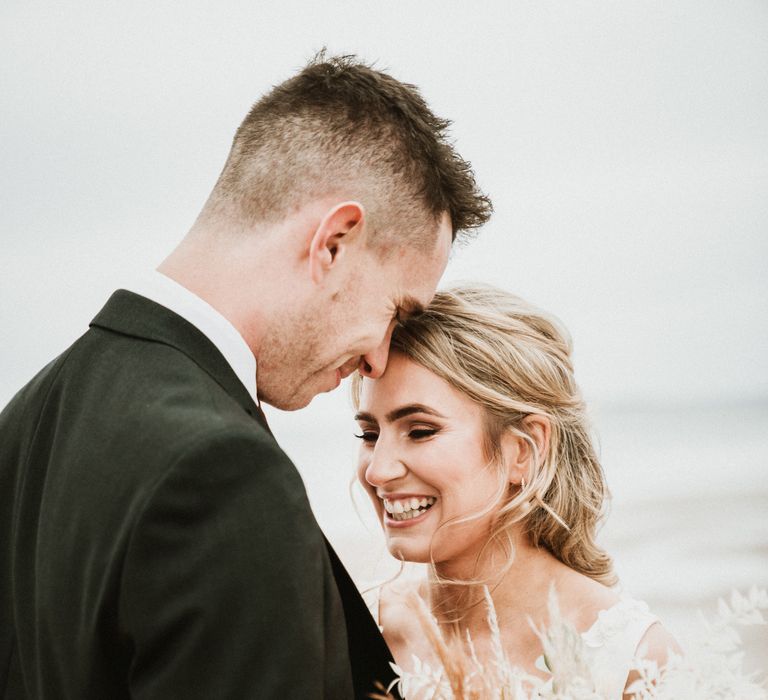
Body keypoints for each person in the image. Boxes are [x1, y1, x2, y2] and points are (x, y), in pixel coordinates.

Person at [0, 55, 492, 699]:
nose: (378, 358)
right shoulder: (220, 471)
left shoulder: (26, 418)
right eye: (396, 310)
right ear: (334, 242)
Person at [353, 284, 679, 699]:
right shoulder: (360, 630)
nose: (379, 470)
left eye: (420, 431)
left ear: (522, 450)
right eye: (368, 433)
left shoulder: (633, 661)